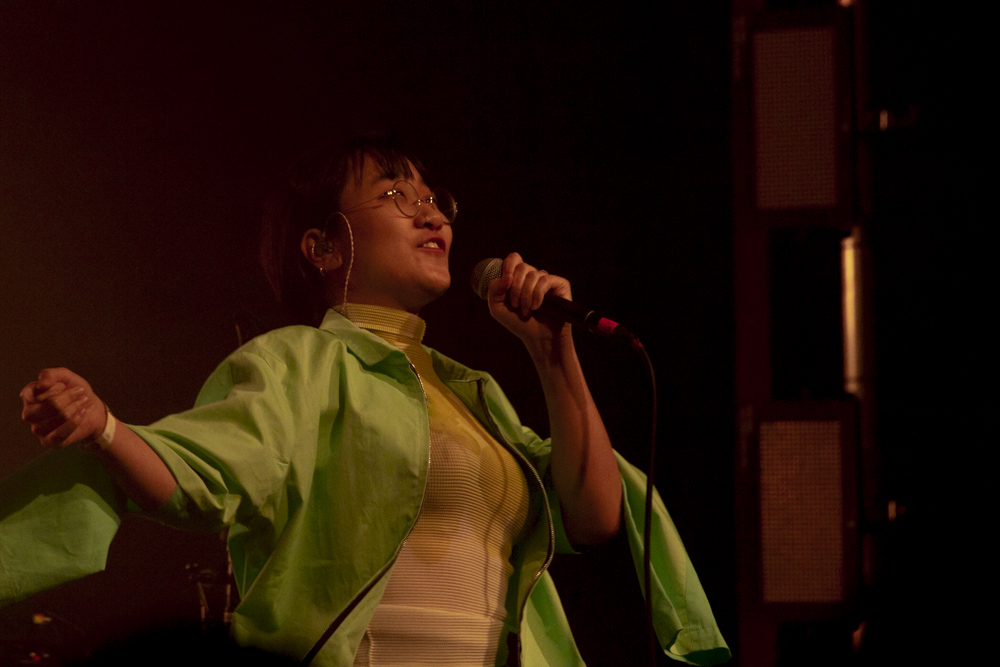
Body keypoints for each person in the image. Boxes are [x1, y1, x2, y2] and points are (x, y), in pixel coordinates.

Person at [4, 135, 729, 666]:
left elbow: (594, 514)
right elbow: (199, 478)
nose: (431, 215)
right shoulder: (298, 363)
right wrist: (106, 426)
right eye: (393, 196)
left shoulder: (471, 392)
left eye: (433, 201)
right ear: (321, 247)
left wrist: (552, 352)